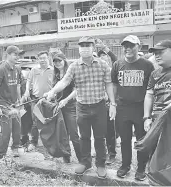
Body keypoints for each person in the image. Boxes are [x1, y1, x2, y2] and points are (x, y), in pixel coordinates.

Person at [45, 36, 116, 179]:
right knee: (84, 137)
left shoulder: (103, 65)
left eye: (88, 45)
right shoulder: (74, 66)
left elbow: (108, 84)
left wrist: (113, 103)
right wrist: (53, 91)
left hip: (99, 106)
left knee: (100, 137)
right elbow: (64, 81)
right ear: (79, 48)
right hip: (82, 107)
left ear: (93, 48)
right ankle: (85, 162)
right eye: (82, 46)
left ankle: (100, 164)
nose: (85, 48)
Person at [111, 35, 155, 181]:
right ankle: (125, 165)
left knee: (142, 140)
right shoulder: (117, 64)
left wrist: (149, 113)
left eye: (131, 46)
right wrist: (113, 104)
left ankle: (141, 168)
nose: (128, 48)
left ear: (139, 47)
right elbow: (114, 85)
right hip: (123, 108)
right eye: (125, 46)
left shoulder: (147, 65)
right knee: (124, 139)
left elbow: (151, 89)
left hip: (140, 109)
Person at [0, 45, 24, 159]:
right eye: (15, 54)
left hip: (14, 103)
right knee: (6, 131)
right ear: (8, 54)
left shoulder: (18, 69)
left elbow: (18, 86)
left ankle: (15, 148)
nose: (17, 57)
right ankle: (1, 155)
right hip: (3, 104)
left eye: (18, 54)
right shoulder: (0, 69)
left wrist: (20, 101)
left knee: (17, 128)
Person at [49, 52, 81, 163]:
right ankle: (66, 156)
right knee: (63, 133)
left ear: (64, 60)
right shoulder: (55, 74)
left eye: (59, 60)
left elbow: (77, 90)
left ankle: (82, 159)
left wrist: (66, 100)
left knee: (74, 134)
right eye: (55, 61)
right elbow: (55, 90)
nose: (57, 63)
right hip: (59, 106)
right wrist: (49, 94)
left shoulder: (71, 72)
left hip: (71, 106)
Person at [144, 40, 171, 131]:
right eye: (155, 53)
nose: (157, 56)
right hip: (157, 120)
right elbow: (149, 95)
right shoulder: (154, 74)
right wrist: (146, 118)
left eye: (160, 52)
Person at [22, 51, 53, 152]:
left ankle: (49, 143)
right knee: (35, 122)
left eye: (44, 58)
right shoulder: (34, 70)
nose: (42, 60)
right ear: (38, 59)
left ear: (48, 58)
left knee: (48, 122)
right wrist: (27, 91)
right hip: (35, 99)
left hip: (48, 101)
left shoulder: (53, 70)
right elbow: (28, 81)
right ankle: (33, 142)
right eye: (40, 58)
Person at [96, 39, 118, 165]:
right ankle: (101, 152)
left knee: (110, 130)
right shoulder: (96, 70)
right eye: (101, 56)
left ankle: (112, 154)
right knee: (99, 130)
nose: (103, 58)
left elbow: (115, 59)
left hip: (110, 104)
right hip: (97, 104)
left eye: (105, 56)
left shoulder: (113, 69)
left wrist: (105, 48)